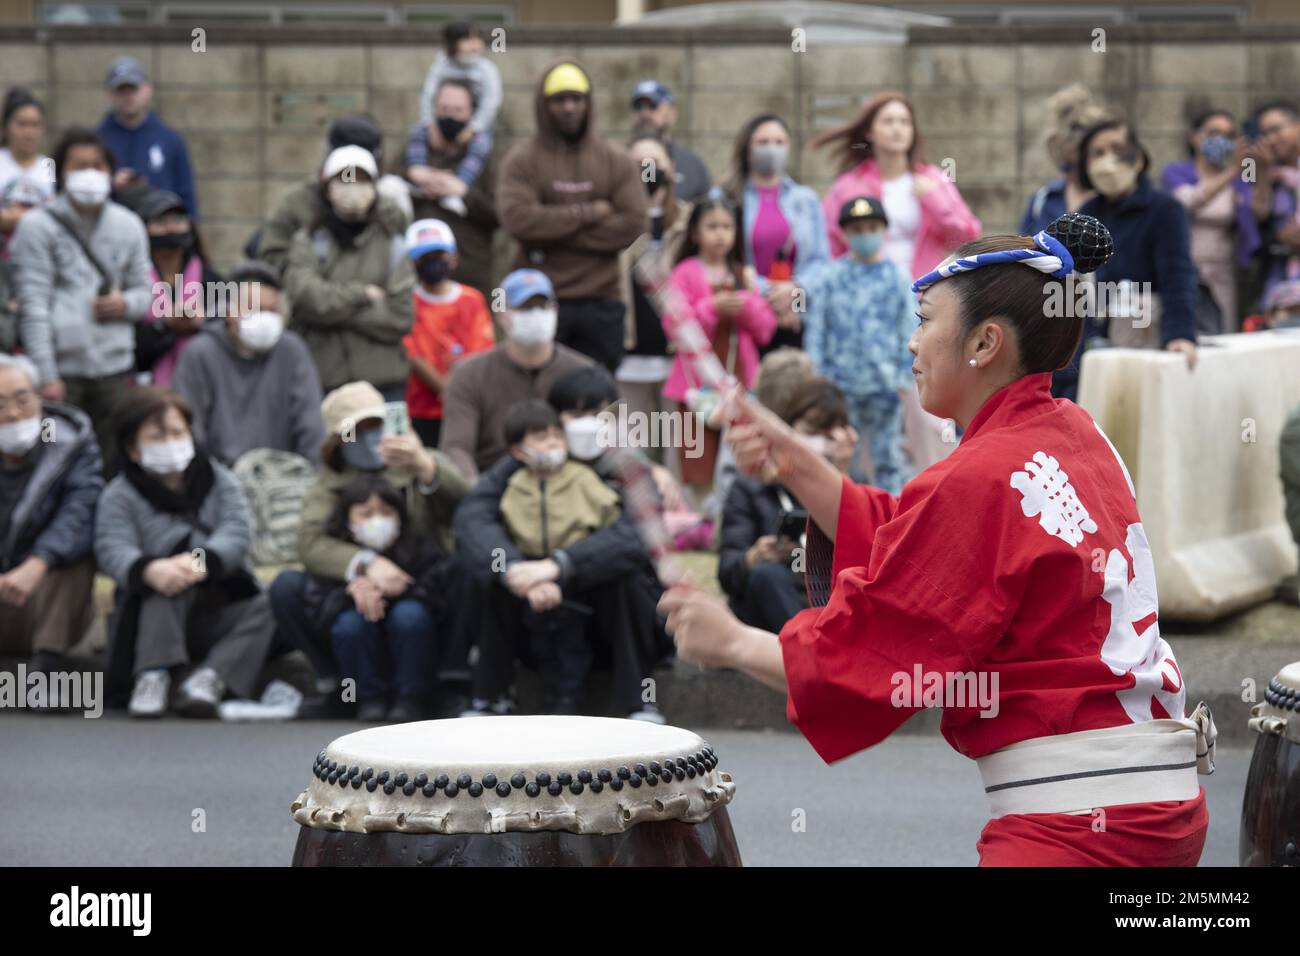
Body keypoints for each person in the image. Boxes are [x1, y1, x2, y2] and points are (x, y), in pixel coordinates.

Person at [661, 214, 1214, 866]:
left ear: (983, 343)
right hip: (1155, 804)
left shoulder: (980, 476)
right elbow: (923, 536)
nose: (911, 343)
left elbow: (876, 648)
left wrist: (729, 641)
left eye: (925, 320)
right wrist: (794, 458)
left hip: (1076, 826)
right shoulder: (1073, 433)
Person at [452, 371, 673, 722]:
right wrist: (513, 569)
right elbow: (472, 521)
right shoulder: (519, 466)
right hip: (533, 602)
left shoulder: (629, 468)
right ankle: (490, 697)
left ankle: (637, 701)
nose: (589, 425)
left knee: (626, 578)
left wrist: (561, 564)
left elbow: (640, 534)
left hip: (607, 610)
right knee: (482, 572)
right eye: (577, 415)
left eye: (601, 415)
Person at [269, 381, 467, 718]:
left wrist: (424, 466)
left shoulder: (420, 463)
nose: (369, 437)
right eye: (356, 430)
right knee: (286, 587)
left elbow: (467, 507)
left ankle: (448, 684)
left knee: (468, 570)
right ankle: (338, 687)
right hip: (351, 592)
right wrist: (364, 566)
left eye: (375, 426)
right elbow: (310, 543)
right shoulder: (328, 484)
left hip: (421, 583)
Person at [95, 387, 275, 718]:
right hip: (153, 615)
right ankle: (153, 674)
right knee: (166, 582)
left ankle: (211, 678)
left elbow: (238, 529)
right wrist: (150, 569)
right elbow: (111, 546)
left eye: (178, 432)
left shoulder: (219, 479)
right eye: (157, 436)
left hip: (220, 605)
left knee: (273, 601)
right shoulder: (118, 494)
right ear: (133, 449)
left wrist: (200, 561)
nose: (171, 442)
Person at [9, 126, 152, 463]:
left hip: (115, 370)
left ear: (110, 171)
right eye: (79, 166)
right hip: (59, 372)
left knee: (115, 459)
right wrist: (46, 375)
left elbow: (147, 293)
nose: (90, 173)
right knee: (52, 458)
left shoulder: (129, 225)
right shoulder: (36, 227)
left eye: (98, 165)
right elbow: (33, 304)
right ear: (61, 173)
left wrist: (125, 304)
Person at [496, 59, 647, 373]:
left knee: (599, 401)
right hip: (541, 303)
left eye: (576, 99)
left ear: (588, 104)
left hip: (602, 301)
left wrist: (552, 232)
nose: (568, 108)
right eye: (559, 100)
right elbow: (517, 220)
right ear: (543, 105)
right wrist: (589, 212)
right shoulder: (522, 160)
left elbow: (633, 224)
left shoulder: (615, 158)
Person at [1060, 120, 1197, 401]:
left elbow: (1178, 276)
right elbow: (1073, 290)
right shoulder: (1086, 214)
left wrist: (1180, 335)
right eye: (1097, 153)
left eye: (1117, 149)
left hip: (1149, 337)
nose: (1107, 160)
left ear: (1138, 158)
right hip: (1095, 342)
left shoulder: (1164, 209)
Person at [718, 376, 854, 635]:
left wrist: (841, 476)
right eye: (811, 433)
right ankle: (814, 652)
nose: (819, 446)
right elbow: (727, 572)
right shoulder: (749, 487)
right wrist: (753, 557)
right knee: (767, 575)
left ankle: (827, 649)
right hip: (771, 597)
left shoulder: (854, 487)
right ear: (788, 430)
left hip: (824, 597)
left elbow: (866, 562)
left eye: (829, 437)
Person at [303, 474, 445, 722]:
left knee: (410, 617)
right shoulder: (335, 557)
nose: (377, 520)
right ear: (348, 519)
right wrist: (351, 592)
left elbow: (438, 596)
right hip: (358, 633)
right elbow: (320, 610)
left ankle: (410, 697)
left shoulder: (418, 547)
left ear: (400, 515)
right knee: (349, 625)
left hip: (407, 632)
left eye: (386, 512)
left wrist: (399, 591)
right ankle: (366, 698)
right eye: (366, 514)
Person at [661, 194, 775, 490]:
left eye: (727, 226)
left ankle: (731, 518)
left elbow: (766, 330)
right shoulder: (684, 273)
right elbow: (674, 325)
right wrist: (711, 308)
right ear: (695, 233)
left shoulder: (743, 275)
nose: (720, 234)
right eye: (712, 226)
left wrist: (747, 305)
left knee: (742, 457)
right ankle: (697, 523)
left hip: (740, 383)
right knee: (696, 458)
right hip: (695, 386)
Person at [0, 353, 102, 682]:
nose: (13, 414)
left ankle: (45, 671)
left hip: (40, 595)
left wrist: (38, 562)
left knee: (76, 554)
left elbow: (80, 512)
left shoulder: (69, 445)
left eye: (22, 399)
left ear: (40, 397)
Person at [283, 145, 415, 399]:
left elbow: (400, 316)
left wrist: (330, 311)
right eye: (345, 179)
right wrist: (361, 295)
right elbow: (305, 297)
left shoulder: (394, 244)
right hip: (323, 383)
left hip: (384, 385)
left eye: (362, 180)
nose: (353, 187)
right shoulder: (308, 241)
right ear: (327, 188)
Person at [438, 268, 591, 482]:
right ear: (502, 315)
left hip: (568, 487)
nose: (536, 314)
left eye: (542, 306)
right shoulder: (469, 374)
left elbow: (611, 438)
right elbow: (456, 447)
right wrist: (476, 495)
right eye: (525, 307)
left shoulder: (583, 371)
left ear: (555, 310)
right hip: (494, 485)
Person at [804, 196, 914, 492]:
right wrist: (819, 379)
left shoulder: (897, 277)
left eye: (871, 227)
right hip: (841, 386)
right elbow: (817, 330)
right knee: (841, 457)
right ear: (845, 233)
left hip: (884, 386)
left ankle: (891, 521)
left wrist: (905, 376)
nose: (864, 235)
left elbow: (910, 329)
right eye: (857, 229)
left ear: (883, 230)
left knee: (888, 458)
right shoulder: (832, 276)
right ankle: (844, 521)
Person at [172, 261, 325, 467]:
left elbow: (311, 423)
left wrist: (305, 476)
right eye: (254, 309)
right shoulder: (199, 353)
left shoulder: (291, 350)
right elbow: (190, 428)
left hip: (283, 475)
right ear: (229, 312)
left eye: (272, 311)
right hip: (218, 477)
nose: (264, 318)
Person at [815, 92, 980, 278]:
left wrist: (935, 200)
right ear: (869, 132)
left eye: (905, 122)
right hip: (867, 294)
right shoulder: (849, 185)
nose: (897, 128)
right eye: (888, 121)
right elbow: (826, 245)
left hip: (923, 293)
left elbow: (967, 238)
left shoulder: (934, 179)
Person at [615, 136, 692, 465]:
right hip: (629, 362)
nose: (648, 171)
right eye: (638, 165)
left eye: (655, 163)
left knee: (679, 460)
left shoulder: (690, 222)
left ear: (671, 170)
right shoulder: (613, 222)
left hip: (678, 362)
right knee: (635, 461)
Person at [257, 113, 410, 275]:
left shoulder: (389, 211)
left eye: (362, 176)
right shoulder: (298, 203)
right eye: (345, 173)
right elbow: (272, 256)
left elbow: (405, 267)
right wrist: (307, 278)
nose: (352, 184)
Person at [727, 113, 829, 351]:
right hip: (746, 316)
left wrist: (795, 292)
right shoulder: (729, 199)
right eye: (763, 142)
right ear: (746, 148)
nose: (772, 149)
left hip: (799, 315)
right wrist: (770, 294)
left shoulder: (806, 200)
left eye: (779, 142)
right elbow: (722, 260)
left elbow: (821, 262)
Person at [1161, 110, 1260, 333]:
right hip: (1184, 266)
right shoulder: (1175, 171)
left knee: (1223, 331)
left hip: (1222, 270)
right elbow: (1187, 201)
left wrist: (1256, 168)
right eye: (1214, 132)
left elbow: (1256, 210)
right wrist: (1234, 170)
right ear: (1195, 137)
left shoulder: (1241, 176)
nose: (1222, 139)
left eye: (1229, 134)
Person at [400, 218, 494, 449]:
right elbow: (412, 354)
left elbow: (481, 349)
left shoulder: (472, 299)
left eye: (439, 255)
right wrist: (447, 388)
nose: (433, 263)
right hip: (420, 408)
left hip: (467, 405)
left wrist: (458, 390)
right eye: (425, 258)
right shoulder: (406, 302)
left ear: (454, 258)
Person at [403, 79, 500, 298]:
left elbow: (499, 213)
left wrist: (463, 193)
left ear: (472, 113)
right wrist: (415, 180)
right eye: (444, 109)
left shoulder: (487, 156)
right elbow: (386, 189)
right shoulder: (413, 149)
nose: (450, 116)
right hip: (418, 276)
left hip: (470, 275)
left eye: (458, 110)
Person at [128, 188, 220, 387]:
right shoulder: (132, 282)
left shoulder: (211, 281)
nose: (171, 228)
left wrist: (203, 323)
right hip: (144, 388)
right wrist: (165, 326)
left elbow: (226, 335)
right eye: (160, 222)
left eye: (178, 220)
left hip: (201, 383)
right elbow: (130, 348)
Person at [413, 22, 501, 221]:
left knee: (482, 145)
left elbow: (491, 103)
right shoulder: (441, 65)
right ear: (453, 44)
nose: (474, 44)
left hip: (476, 124)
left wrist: (473, 129)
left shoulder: (485, 69)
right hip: (442, 123)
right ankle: (419, 172)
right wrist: (431, 126)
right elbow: (428, 96)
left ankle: (459, 185)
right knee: (416, 132)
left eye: (477, 38)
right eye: (467, 39)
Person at [96, 56, 198, 219]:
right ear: (110, 94)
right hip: (110, 225)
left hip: (160, 229)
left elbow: (186, 195)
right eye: (121, 91)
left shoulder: (170, 140)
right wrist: (110, 184)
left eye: (133, 89)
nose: (128, 97)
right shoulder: (97, 140)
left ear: (147, 90)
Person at [1019, 84, 1109, 235]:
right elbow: (1024, 250)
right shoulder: (1043, 200)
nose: (1071, 171)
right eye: (1068, 165)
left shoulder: (1114, 202)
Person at [1249, 100, 1300, 303]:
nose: (1271, 139)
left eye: (1276, 130)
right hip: (1279, 273)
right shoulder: (1256, 167)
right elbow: (1255, 216)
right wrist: (1262, 173)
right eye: (1265, 134)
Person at [629, 80, 711, 201]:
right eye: (638, 107)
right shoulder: (616, 161)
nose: (644, 114)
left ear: (672, 114)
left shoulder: (692, 166)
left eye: (653, 106)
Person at [0, 88, 52, 215]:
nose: (28, 133)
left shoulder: (49, 165)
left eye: (35, 125)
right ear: (5, 127)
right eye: (22, 124)